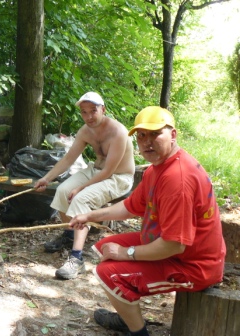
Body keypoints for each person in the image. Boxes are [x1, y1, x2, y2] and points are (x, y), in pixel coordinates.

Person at [69, 106, 226, 336]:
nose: (147, 142)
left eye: (155, 134)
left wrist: (126, 253)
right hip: (175, 248)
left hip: (195, 266)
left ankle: (138, 332)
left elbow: (174, 244)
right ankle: (129, 314)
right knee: (103, 248)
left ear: (173, 135)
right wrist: (91, 215)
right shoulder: (157, 169)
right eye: (142, 135)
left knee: (108, 272)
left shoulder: (177, 180)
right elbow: (131, 206)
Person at [34, 92, 135, 279]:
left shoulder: (118, 132)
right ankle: (70, 233)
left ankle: (77, 258)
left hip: (118, 177)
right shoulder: (85, 131)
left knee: (81, 199)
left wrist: (81, 188)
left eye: (93, 111)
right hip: (95, 170)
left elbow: (108, 171)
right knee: (63, 190)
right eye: (84, 112)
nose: (89, 117)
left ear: (103, 110)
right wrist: (47, 178)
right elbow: (68, 158)